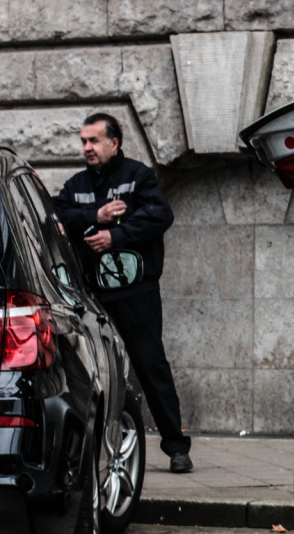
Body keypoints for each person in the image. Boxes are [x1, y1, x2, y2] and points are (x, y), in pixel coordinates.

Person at [54, 113, 193, 473]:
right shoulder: (76, 185)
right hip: (92, 296)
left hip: (136, 293)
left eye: (94, 140)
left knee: (150, 365)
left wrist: (115, 235)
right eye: (84, 141)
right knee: (90, 371)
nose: (87, 147)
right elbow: (57, 216)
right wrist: (95, 215)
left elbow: (160, 216)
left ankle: (177, 447)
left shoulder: (138, 176)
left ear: (114, 143)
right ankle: (91, 448)